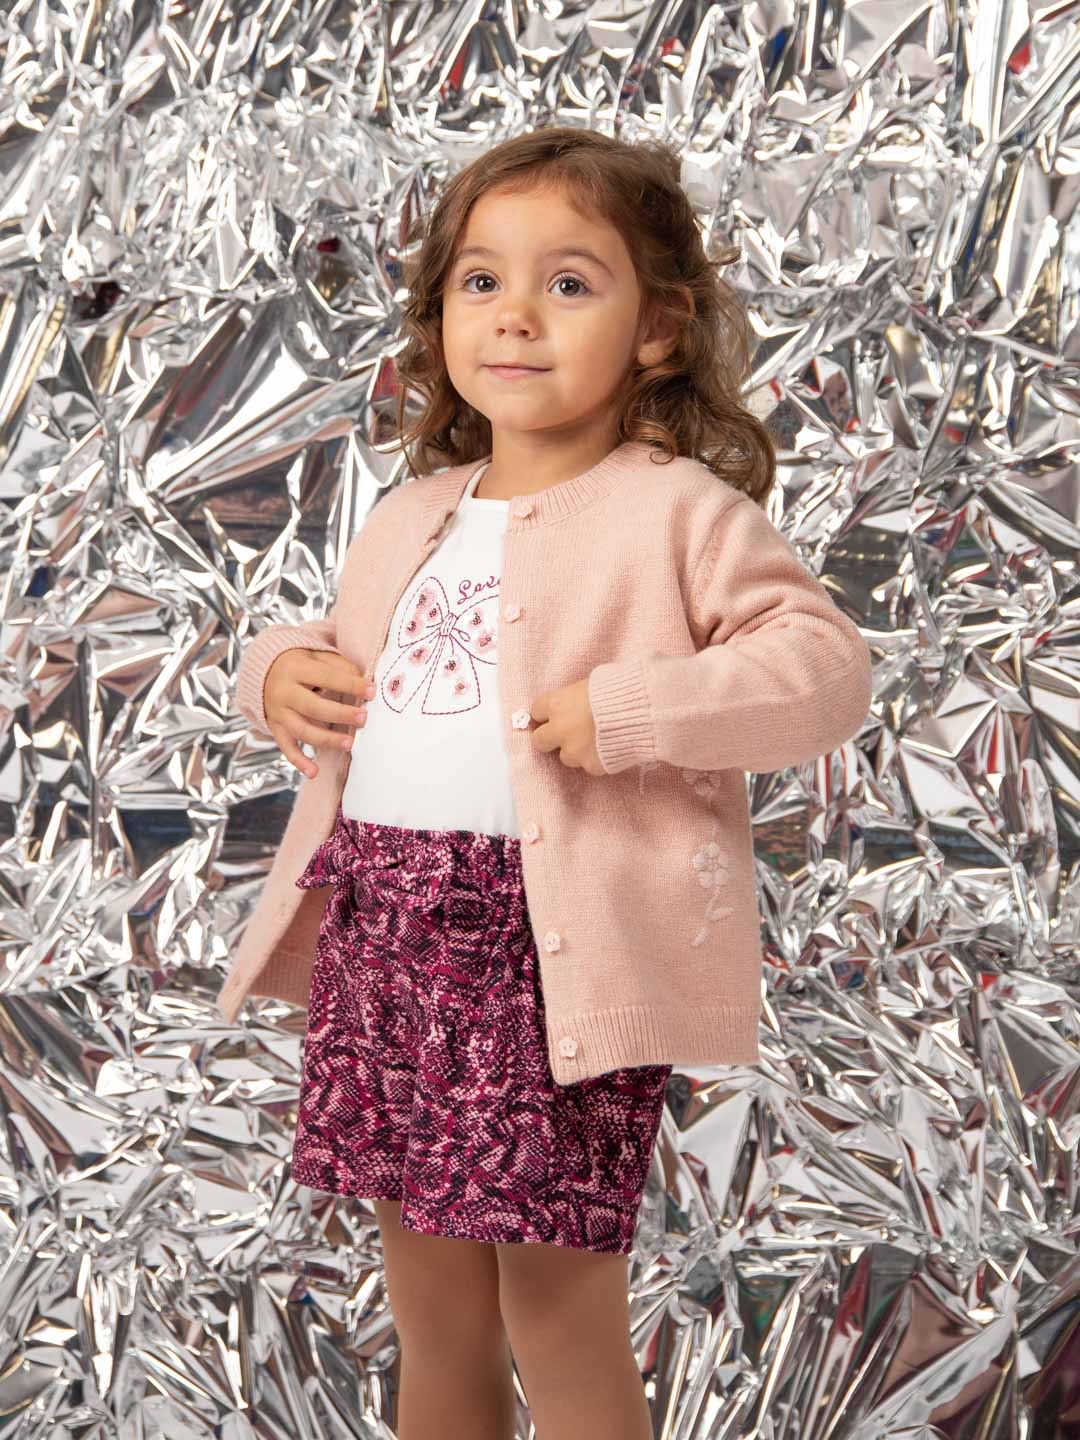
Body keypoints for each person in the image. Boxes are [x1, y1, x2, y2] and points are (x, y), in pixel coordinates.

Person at [218, 126, 874, 1440]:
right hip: (387, 932)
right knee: (432, 1314)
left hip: (546, 954)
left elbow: (824, 671)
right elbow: (348, 651)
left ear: (657, 327)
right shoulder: (413, 512)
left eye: (569, 283)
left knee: (559, 1317)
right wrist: (276, 667)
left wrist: (634, 708)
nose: (515, 314)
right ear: (440, 315)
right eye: (481, 281)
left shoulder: (675, 512)